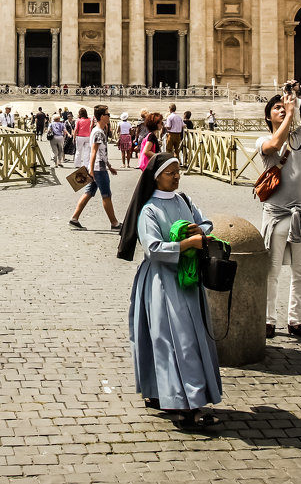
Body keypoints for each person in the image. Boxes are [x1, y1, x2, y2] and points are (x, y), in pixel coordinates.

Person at [118, 153, 222, 429]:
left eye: (178, 171)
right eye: (170, 173)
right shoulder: (149, 210)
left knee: (185, 340)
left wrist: (199, 230)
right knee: (172, 342)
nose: (177, 176)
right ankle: (185, 407)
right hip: (162, 282)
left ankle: (166, 393)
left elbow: (207, 223)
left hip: (188, 280)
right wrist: (188, 244)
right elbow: (152, 249)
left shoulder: (184, 200)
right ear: (156, 177)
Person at [257, 82, 301, 340]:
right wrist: (289, 110)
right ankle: (267, 319)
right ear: (268, 116)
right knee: (272, 271)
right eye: (276, 109)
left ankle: (295, 320)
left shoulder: (300, 137)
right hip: (276, 215)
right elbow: (275, 144)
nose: (282, 110)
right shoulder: (263, 141)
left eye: (282, 107)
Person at [68, 105, 120, 230]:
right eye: (108, 114)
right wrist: (91, 170)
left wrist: (109, 166)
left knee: (89, 193)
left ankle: (74, 218)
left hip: (98, 166)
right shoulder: (98, 132)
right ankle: (114, 223)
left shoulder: (99, 131)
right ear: (102, 116)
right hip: (98, 169)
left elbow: (101, 152)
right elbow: (94, 152)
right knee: (106, 195)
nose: (109, 116)